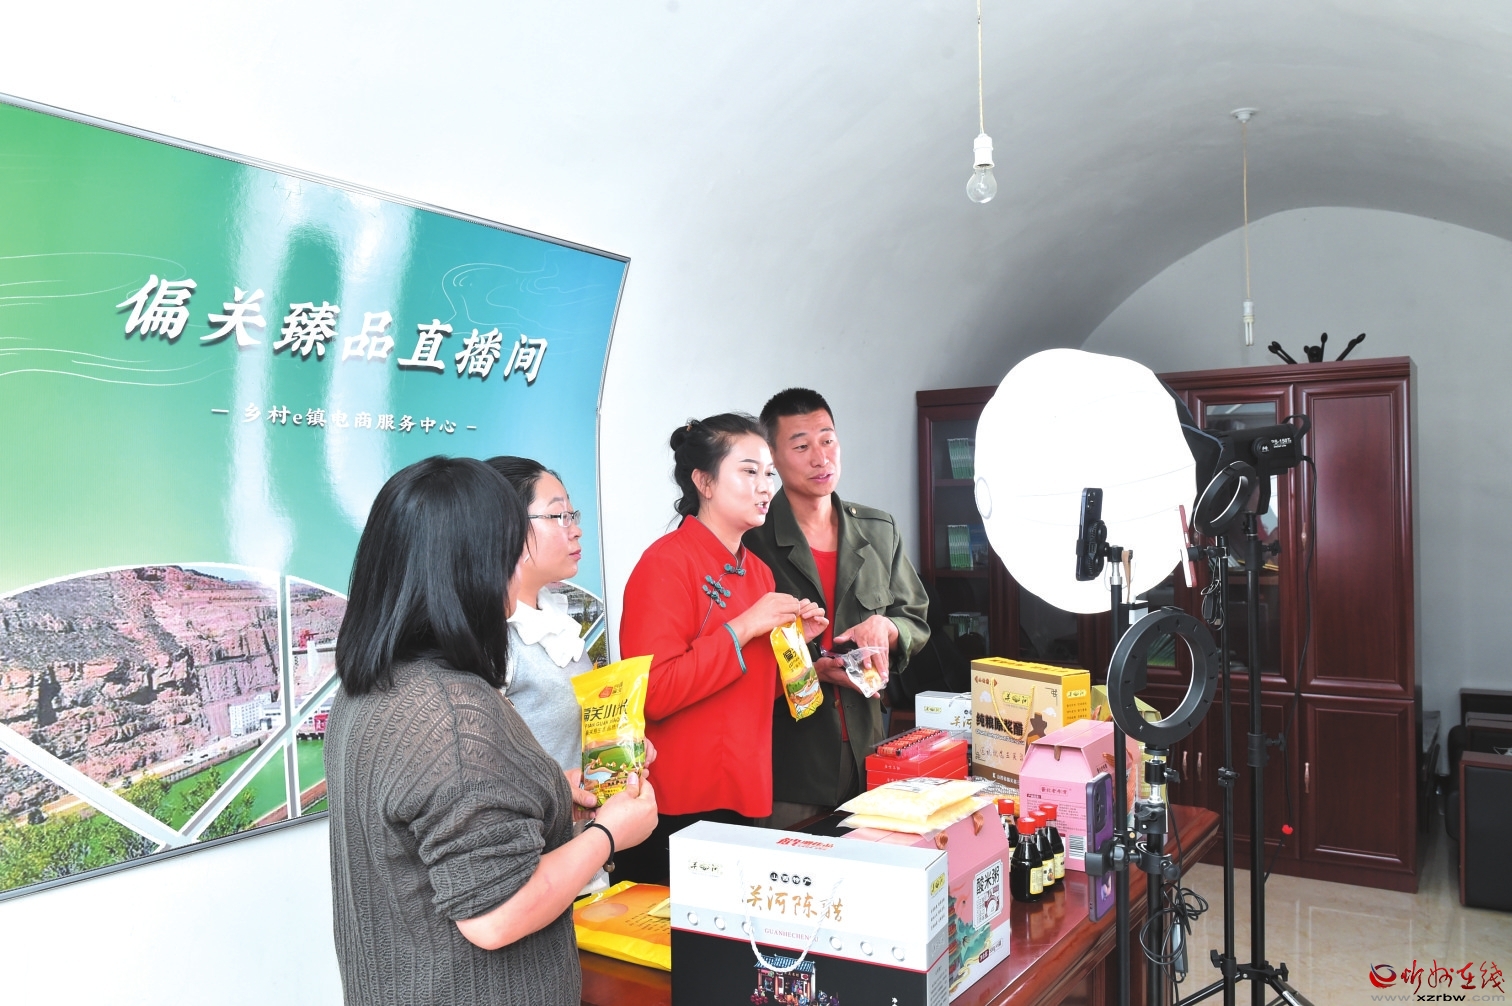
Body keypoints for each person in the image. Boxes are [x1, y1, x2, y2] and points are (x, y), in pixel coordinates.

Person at [325, 456, 657, 1006]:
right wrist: (609, 834)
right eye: (508, 551)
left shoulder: (367, 688)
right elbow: (496, 916)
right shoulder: (455, 715)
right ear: (474, 567)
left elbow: (444, 820)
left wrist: (555, 793)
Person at [615, 414, 827, 883]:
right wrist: (744, 627)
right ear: (704, 482)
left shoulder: (759, 573)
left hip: (744, 791)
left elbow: (755, 693)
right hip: (676, 803)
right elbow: (655, 693)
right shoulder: (665, 563)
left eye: (768, 473)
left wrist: (796, 649)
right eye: (748, 471)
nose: (764, 486)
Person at [743, 388, 930, 828]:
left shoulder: (878, 530)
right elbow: (737, 649)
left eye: (827, 440)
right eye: (801, 446)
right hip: (790, 761)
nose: (820, 457)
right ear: (773, 458)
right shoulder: (752, 539)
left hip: (868, 751)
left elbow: (915, 619)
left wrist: (886, 628)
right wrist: (811, 670)